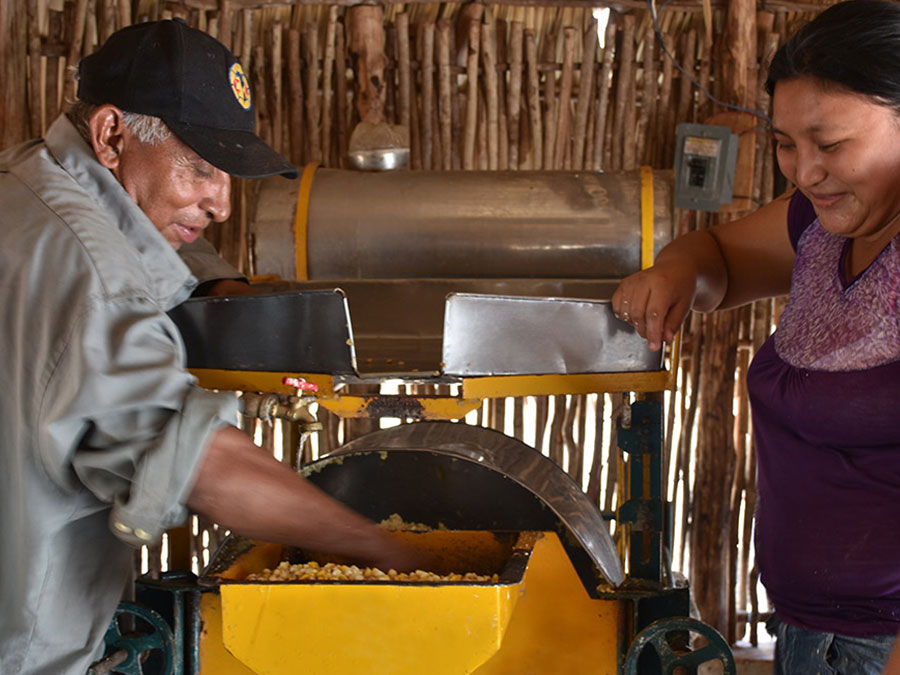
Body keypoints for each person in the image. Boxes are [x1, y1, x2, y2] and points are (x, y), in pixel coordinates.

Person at [0, 19, 418, 675]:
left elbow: (142, 254)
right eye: (200, 167)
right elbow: (196, 464)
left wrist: (234, 295)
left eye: (228, 173)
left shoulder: (26, 181)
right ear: (112, 135)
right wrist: (389, 554)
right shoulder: (98, 279)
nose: (222, 202)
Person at [613, 1, 900, 672]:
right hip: (810, 635)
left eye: (829, 145)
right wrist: (676, 270)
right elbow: (716, 253)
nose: (802, 171)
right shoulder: (820, 225)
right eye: (785, 142)